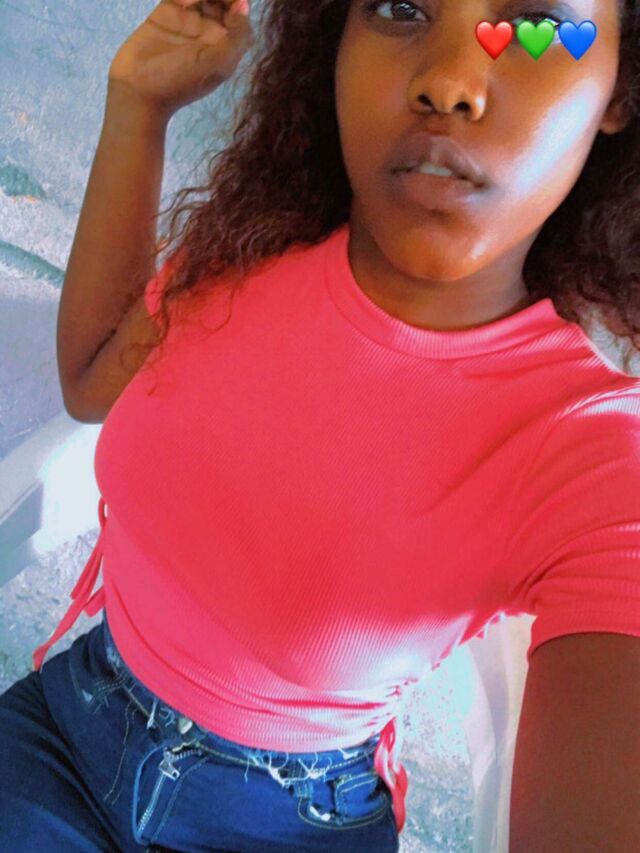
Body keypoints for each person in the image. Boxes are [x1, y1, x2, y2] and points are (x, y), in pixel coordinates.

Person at [1, 0, 639, 850]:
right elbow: (91, 381)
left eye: (538, 24)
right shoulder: (249, 247)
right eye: (400, 7)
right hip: (65, 736)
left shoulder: (592, 451)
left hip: (290, 825)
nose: (450, 82)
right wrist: (139, 107)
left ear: (619, 88)